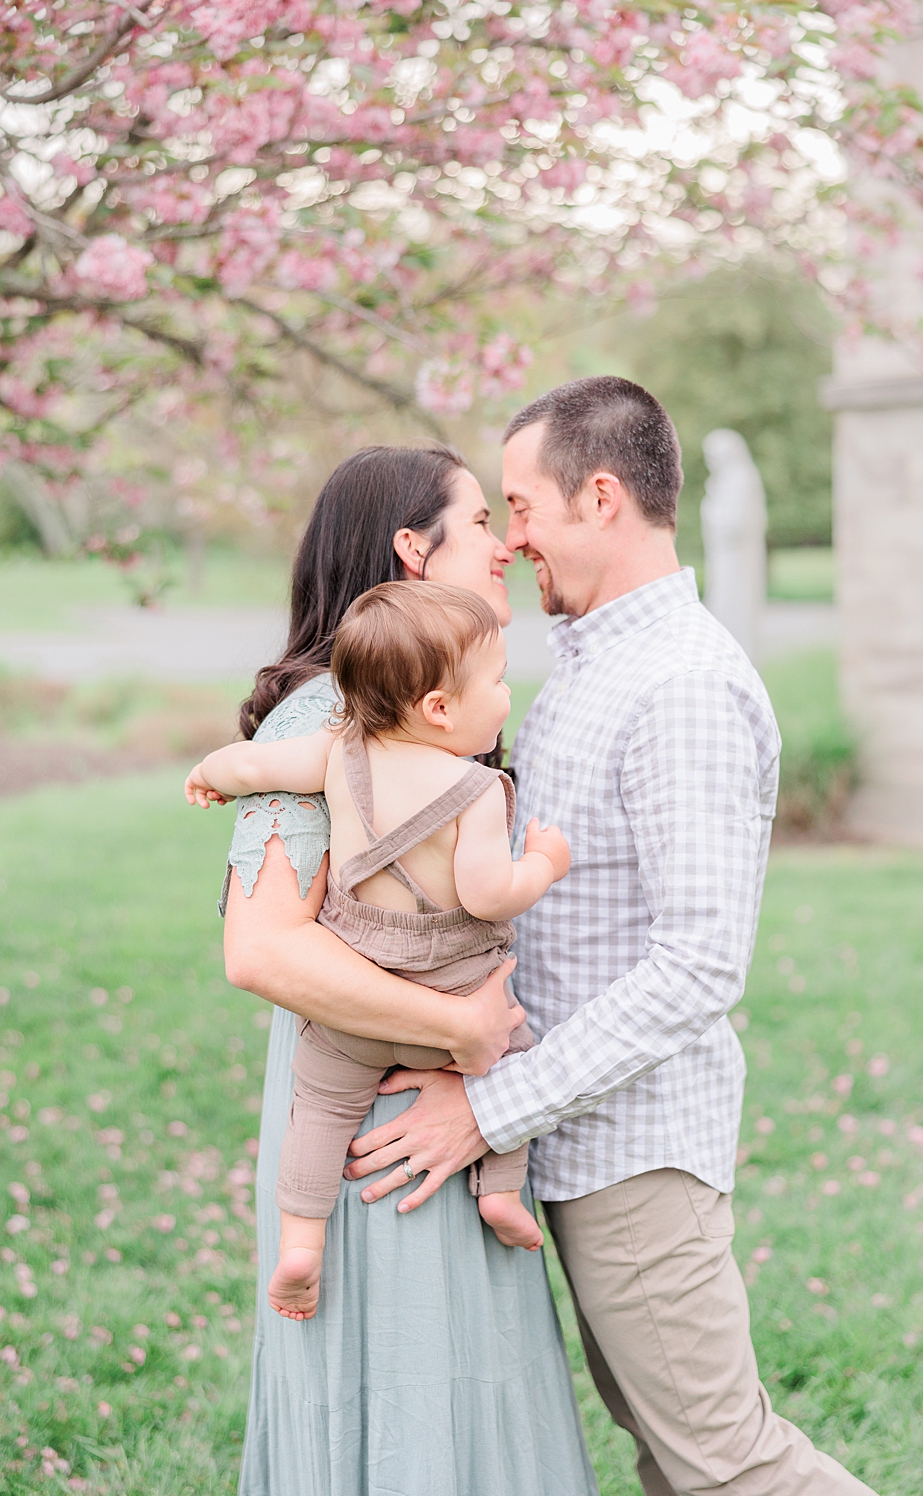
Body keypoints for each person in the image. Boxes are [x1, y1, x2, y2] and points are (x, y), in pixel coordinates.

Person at [332, 376, 875, 1496]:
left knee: (730, 1465)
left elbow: (697, 965)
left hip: (635, 1149)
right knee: (676, 1462)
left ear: (599, 495)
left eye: (521, 507)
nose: (509, 539)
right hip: (585, 1140)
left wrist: (487, 1106)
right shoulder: (592, 664)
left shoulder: (679, 683)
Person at [220, 445, 596, 1494]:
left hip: (439, 1115)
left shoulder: (437, 708)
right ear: (411, 547)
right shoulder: (328, 718)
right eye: (481, 522)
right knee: (403, 1405)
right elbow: (259, 944)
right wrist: (462, 1032)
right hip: (367, 1124)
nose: (508, 543)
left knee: (468, 1393)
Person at [193, 582, 568, 1319]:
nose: (505, 694)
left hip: (361, 993)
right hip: (456, 995)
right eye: (495, 681)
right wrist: (546, 864)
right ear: (440, 708)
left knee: (322, 1105)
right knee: (515, 1057)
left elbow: (256, 768)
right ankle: (499, 1195)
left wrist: (210, 773)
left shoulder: (342, 755)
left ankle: (300, 1244)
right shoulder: (476, 790)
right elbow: (489, 894)